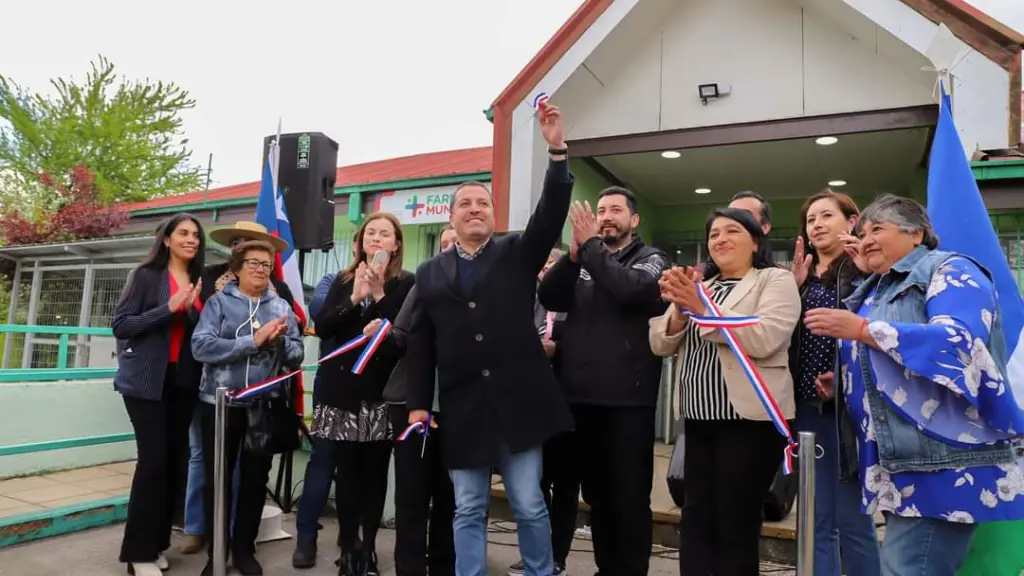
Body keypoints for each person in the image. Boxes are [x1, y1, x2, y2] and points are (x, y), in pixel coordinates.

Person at [804, 194, 1024, 576]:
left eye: (878, 229)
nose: (866, 238)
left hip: (943, 462)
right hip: (900, 461)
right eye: (862, 231)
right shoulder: (877, 288)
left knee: (908, 567)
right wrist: (844, 378)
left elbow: (960, 343)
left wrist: (862, 329)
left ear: (917, 233)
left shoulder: (950, 270)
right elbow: (885, 356)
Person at [403, 102, 574, 576]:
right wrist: (420, 403)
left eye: (483, 203)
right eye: (465, 204)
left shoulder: (517, 252)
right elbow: (421, 343)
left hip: (519, 405)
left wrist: (557, 151)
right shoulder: (430, 272)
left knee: (529, 504)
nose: (474, 209)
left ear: (493, 214)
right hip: (463, 411)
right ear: (452, 216)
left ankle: (541, 571)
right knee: (468, 508)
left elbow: (550, 212)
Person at [649, 207, 800, 576]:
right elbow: (659, 342)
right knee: (696, 517)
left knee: (736, 520)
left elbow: (764, 336)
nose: (720, 239)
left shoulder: (773, 281)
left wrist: (700, 307)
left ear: (755, 241)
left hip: (749, 420)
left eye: (732, 231)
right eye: (714, 233)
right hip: (699, 418)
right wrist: (681, 313)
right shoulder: (701, 286)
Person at [535, 188, 669, 576]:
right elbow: (550, 295)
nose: (606, 216)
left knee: (628, 498)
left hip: (629, 402)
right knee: (596, 497)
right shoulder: (585, 259)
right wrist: (574, 256)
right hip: (580, 399)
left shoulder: (651, 259)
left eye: (615, 210)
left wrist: (590, 246)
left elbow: (631, 290)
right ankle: (605, 569)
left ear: (634, 220)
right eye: (600, 210)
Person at [298, 212, 415, 575]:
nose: (377, 239)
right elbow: (324, 325)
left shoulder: (406, 283)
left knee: (375, 474)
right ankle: (348, 548)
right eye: (371, 233)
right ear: (362, 241)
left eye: (385, 234)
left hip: (382, 392)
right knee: (345, 473)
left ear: (396, 244)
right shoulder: (343, 278)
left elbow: (401, 335)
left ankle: (368, 546)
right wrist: (356, 296)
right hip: (340, 391)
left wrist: (379, 293)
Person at [181, 221, 300, 554]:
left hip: (263, 407)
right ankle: (217, 551)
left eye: (266, 264)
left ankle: (246, 550)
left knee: (254, 481)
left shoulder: (280, 306)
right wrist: (252, 341)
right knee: (216, 480)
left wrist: (277, 345)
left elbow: (297, 351)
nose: (261, 270)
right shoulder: (219, 303)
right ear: (237, 267)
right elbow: (201, 347)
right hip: (217, 405)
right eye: (253, 263)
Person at [789, 190, 881, 576]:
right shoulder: (800, 279)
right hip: (806, 411)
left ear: (851, 220)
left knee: (853, 518)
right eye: (811, 220)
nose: (817, 225)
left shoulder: (868, 273)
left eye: (826, 215)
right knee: (815, 516)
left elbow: (882, 334)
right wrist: (791, 290)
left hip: (851, 412)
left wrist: (843, 375)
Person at [112, 213, 205, 576]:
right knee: (152, 463)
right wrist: (168, 309)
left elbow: (197, 333)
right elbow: (122, 325)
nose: (191, 240)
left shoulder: (198, 281)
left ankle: (156, 544)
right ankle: (137, 554)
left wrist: (194, 309)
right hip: (146, 382)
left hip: (182, 381)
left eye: (196, 235)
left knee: (173, 462)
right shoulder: (146, 276)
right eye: (182, 233)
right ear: (166, 239)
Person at [363, 224, 459, 576]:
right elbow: (400, 336)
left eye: (455, 244)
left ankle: (445, 569)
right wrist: (383, 335)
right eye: (443, 243)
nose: (448, 249)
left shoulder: (482, 290)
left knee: (451, 500)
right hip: (409, 405)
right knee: (412, 498)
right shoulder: (422, 287)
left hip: (458, 409)